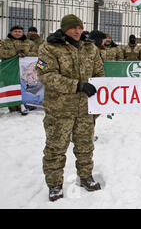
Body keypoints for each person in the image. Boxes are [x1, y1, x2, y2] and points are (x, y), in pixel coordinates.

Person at [36, 14, 105, 202]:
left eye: (79, 28)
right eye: (73, 28)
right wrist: (77, 85)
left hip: (84, 109)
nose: (77, 31)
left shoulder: (90, 48)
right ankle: (55, 185)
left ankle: (86, 177)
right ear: (64, 28)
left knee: (85, 146)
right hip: (60, 109)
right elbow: (46, 75)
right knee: (56, 148)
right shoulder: (49, 48)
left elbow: (99, 72)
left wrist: (100, 95)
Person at [0, 25, 38, 114]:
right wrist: (15, 53)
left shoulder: (30, 43)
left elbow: (36, 53)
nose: (17, 33)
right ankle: (13, 108)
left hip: (24, 71)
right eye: (15, 31)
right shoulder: (4, 42)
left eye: (19, 31)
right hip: (10, 70)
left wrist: (25, 53)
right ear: (11, 32)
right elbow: (2, 53)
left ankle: (24, 106)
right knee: (12, 88)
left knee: (24, 88)